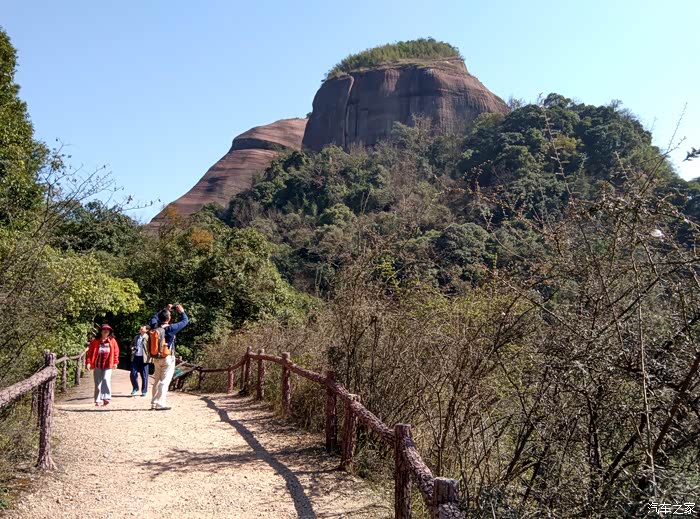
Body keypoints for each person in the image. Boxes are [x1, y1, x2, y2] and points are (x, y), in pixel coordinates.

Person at [149, 304, 188, 410]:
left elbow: (153, 317)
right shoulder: (171, 328)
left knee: (157, 381)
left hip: (156, 357)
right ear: (169, 318)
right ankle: (160, 403)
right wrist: (181, 311)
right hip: (167, 357)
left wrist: (165, 309)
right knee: (164, 381)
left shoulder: (155, 327)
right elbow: (185, 321)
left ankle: (153, 403)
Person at [86, 324, 120, 407]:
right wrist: (88, 362)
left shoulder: (112, 341)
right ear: (101, 331)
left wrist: (115, 362)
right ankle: (98, 400)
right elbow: (90, 353)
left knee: (106, 379)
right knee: (97, 383)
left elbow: (116, 352)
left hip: (108, 364)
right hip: (97, 364)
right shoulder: (95, 341)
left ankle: (106, 398)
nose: (106, 331)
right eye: (104, 330)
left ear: (109, 332)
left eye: (107, 330)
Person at [130, 325, 150, 396]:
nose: (141, 328)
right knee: (133, 373)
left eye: (143, 328)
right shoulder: (136, 337)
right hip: (135, 357)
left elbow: (151, 348)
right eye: (140, 328)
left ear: (146, 330)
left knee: (144, 375)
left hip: (144, 359)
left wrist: (152, 358)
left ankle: (144, 391)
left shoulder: (148, 338)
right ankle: (135, 387)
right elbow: (131, 345)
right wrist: (132, 348)